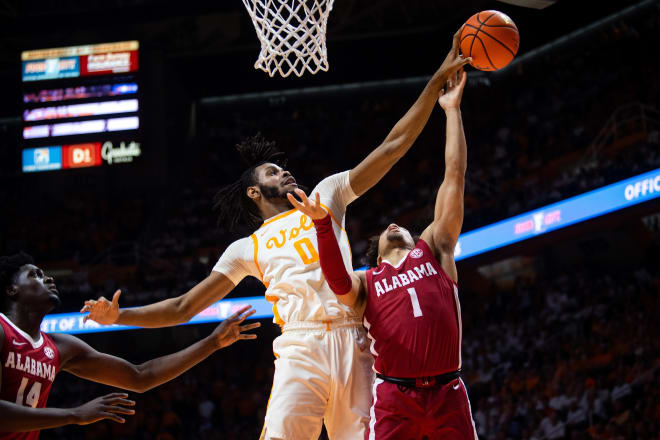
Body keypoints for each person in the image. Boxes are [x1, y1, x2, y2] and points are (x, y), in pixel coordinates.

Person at [80, 29, 471, 440]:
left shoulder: (328, 194)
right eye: (272, 171)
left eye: (282, 168)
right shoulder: (244, 248)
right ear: (254, 191)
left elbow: (392, 146)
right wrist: (119, 316)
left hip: (356, 338)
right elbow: (183, 307)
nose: (284, 171)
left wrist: (433, 88)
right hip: (300, 344)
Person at [287, 68, 478, 439]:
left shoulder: (435, 250)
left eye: (400, 226)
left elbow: (454, 176)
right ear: (375, 256)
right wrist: (322, 225)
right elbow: (339, 281)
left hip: (448, 391)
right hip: (395, 397)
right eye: (386, 230)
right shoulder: (368, 281)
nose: (393, 224)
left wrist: (452, 111)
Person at [0, 252, 259, 439]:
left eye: (45, 274)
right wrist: (75, 414)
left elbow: (140, 377)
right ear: (12, 290)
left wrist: (213, 342)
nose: (48, 279)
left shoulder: (60, 347)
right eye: (35, 275)